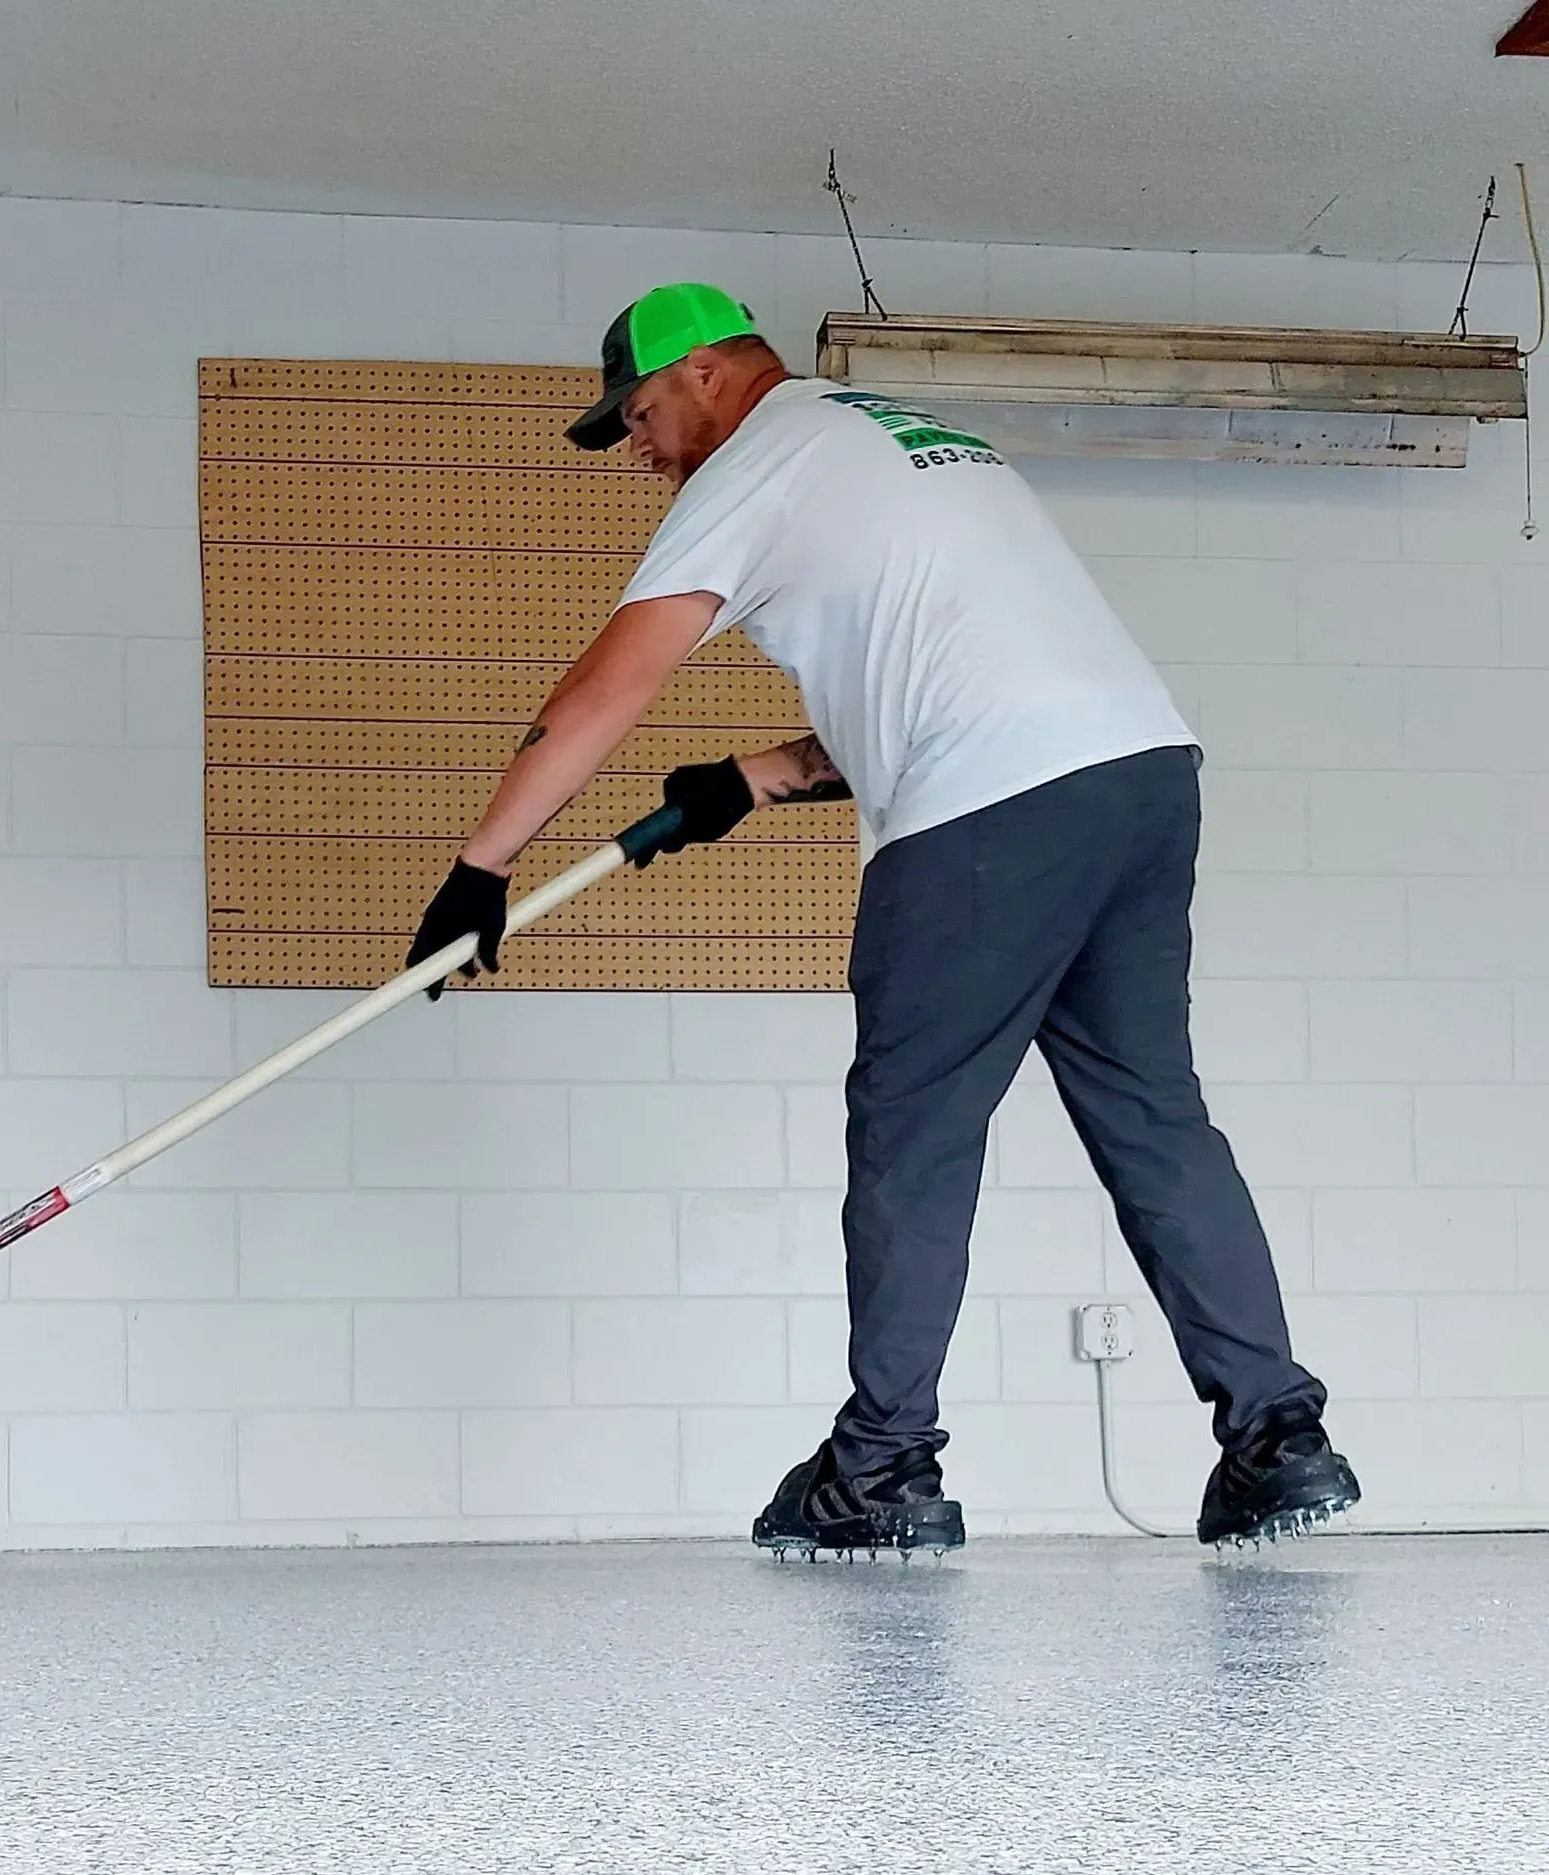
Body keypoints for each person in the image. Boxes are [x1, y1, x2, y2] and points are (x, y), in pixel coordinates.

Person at [406, 281, 1360, 1556]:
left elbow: (603, 690)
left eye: (634, 417)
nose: (635, 451)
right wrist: (745, 781)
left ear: (704, 374)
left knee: (913, 1134)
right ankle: (1279, 1444)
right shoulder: (894, 436)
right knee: (1155, 1120)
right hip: (1140, 779)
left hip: (989, 818)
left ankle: (882, 1470)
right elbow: (942, 689)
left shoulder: (753, 462)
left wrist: (482, 868)